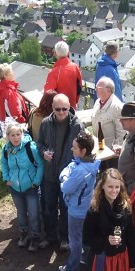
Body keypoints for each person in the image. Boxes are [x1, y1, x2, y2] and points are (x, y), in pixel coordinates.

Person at [37, 93, 84, 251]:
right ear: (52, 108)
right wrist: (43, 153)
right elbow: (40, 144)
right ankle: (50, 237)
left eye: (65, 108)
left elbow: (84, 150)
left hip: (68, 176)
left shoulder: (77, 125)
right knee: (48, 207)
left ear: (70, 106)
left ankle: (64, 238)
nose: (62, 112)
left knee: (65, 208)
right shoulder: (45, 123)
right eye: (58, 109)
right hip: (49, 174)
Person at [58, 131, 100, 271]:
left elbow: (65, 187)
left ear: (83, 151)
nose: (72, 149)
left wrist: (64, 177)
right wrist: (66, 173)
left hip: (76, 210)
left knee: (74, 239)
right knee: (83, 236)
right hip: (85, 206)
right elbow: (69, 167)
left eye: (74, 148)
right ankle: (85, 260)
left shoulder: (80, 171)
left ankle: (72, 268)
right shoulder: (89, 163)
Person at [0, 124, 44, 252]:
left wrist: (36, 182)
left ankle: (35, 236)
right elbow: (3, 163)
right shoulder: (6, 149)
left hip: (30, 187)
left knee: (34, 213)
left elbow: (40, 165)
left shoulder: (31, 147)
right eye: (12, 135)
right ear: (8, 136)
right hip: (15, 187)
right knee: (21, 212)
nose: (16, 138)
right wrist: (6, 178)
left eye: (18, 134)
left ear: (22, 134)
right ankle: (24, 233)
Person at [43, 41, 83, 110]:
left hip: (59, 111)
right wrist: (75, 101)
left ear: (55, 54)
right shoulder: (75, 67)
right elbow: (79, 86)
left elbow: (48, 94)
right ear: (68, 53)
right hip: (72, 107)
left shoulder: (54, 72)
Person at [90, 77, 125, 151]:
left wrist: (118, 150)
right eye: (95, 87)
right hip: (98, 148)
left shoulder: (117, 107)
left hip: (111, 152)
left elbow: (121, 132)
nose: (95, 90)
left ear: (108, 90)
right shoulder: (97, 102)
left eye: (98, 88)